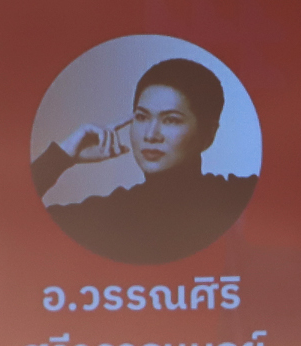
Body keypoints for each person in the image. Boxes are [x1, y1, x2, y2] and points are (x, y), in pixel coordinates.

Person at [31, 56, 258, 264]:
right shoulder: (107, 214)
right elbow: (15, 217)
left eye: (171, 120)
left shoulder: (239, 197)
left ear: (208, 134)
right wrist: (62, 156)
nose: (150, 135)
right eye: (141, 117)